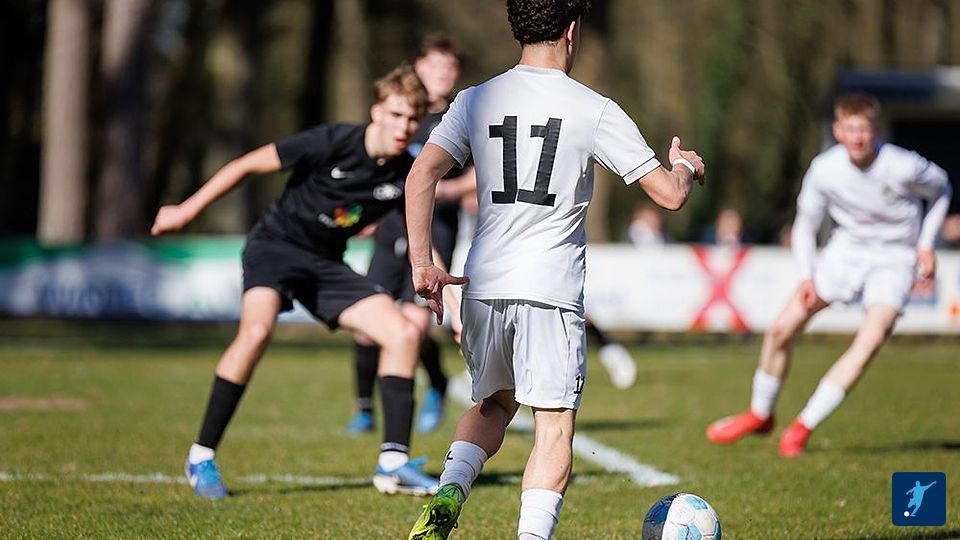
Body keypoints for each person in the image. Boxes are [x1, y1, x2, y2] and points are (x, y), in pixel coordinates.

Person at [403, 1, 705, 537]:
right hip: (549, 289)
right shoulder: (593, 108)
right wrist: (683, 166)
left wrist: (423, 265)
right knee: (554, 428)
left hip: (482, 284)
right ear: (571, 30)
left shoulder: (475, 99)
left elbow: (421, 175)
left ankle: (449, 491)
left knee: (493, 404)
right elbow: (669, 195)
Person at [151, 65, 441, 499]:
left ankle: (394, 464)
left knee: (402, 333)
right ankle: (201, 456)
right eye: (396, 115)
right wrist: (186, 210)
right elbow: (247, 165)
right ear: (377, 112)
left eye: (412, 118)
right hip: (276, 248)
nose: (404, 127)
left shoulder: (406, 172)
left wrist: (443, 289)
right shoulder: (332, 141)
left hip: (324, 264)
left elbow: (420, 236)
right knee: (256, 332)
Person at [706, 93, 952, 457]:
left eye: (864, 130)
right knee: (781, 329)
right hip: (845, 253)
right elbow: (805, 227)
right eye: (850, 130)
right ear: (837, 131)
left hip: (895, 258)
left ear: (876, 130)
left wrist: (925, 245)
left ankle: (802, 427)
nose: (857, 138)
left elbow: (942, 188)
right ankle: (760, 414)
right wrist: (807, 275)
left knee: (870, 340)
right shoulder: (825, 169)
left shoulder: (903, 165)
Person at [347, 33, 477, 436]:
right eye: (434, 65)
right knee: (367, 325)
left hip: (438, 226)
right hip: (391, 227)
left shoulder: (462, 116)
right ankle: (364, 408)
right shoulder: (401, 113)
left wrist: (446, 190)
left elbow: (485, 172)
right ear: (418, 67)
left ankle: (433, 386)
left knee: (414, 324)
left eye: (449, 67)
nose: (442, 74)